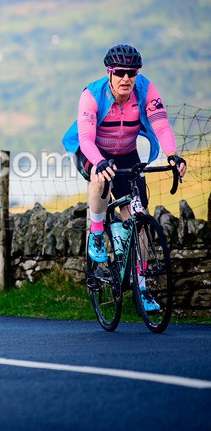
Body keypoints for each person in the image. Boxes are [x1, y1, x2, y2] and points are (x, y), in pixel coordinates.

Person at [62, 44, 187, 311]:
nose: (126, 78)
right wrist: (98, 161)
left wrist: (173, 155)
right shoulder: (92, 94)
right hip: (92, 151)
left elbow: (161, 123)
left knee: (139, 220)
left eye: (132, 72)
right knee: (101, 178)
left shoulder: (145, 89)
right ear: (109, 73)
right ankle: (96, 233)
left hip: (127, 154)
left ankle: (141, 288)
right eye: (120, 73)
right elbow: (85, 138)